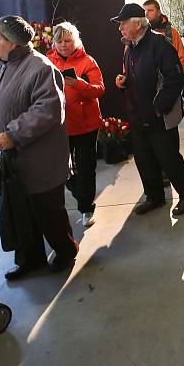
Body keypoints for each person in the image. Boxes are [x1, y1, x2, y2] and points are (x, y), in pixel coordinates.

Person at [0, 15, 77, 280]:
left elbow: (48, 110)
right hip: (11, 163)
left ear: (13, 43)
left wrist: (13, 134)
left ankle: (65, 250)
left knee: (48, 211)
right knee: (20, 212)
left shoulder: (40, 68)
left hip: (40, 161)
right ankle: (30, 259)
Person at [112, 4, 184, 216]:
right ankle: (154, 197)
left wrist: (159, 107)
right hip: (138, 115)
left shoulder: (160, 45)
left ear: (137, 23)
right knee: (144, 160)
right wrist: (124, 81)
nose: (120, 28)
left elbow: (174, 79)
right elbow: (135, 76)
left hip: (159, 117)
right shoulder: (130, 47)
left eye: (123, 24)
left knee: (169, 159)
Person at [47, 21, 105, 229]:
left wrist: (78, 84)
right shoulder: (47, 61)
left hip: (86, 124)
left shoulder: (87, 61)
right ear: (54, 41)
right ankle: (81, 195)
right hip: (59, 124)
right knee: (60, 168)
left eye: (68, 40)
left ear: (76, 41)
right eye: (59, 40)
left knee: (87, 167)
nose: (63, 44)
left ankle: (86, 207)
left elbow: (99, 89)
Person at [143, 0, 184, 71]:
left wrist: (177, 78)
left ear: (159, 12)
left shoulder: (171, 32)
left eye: (150, 10)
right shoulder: (143, 33)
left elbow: (182, 58)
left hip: (168, 78)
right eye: (145, 11)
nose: (146, 13)